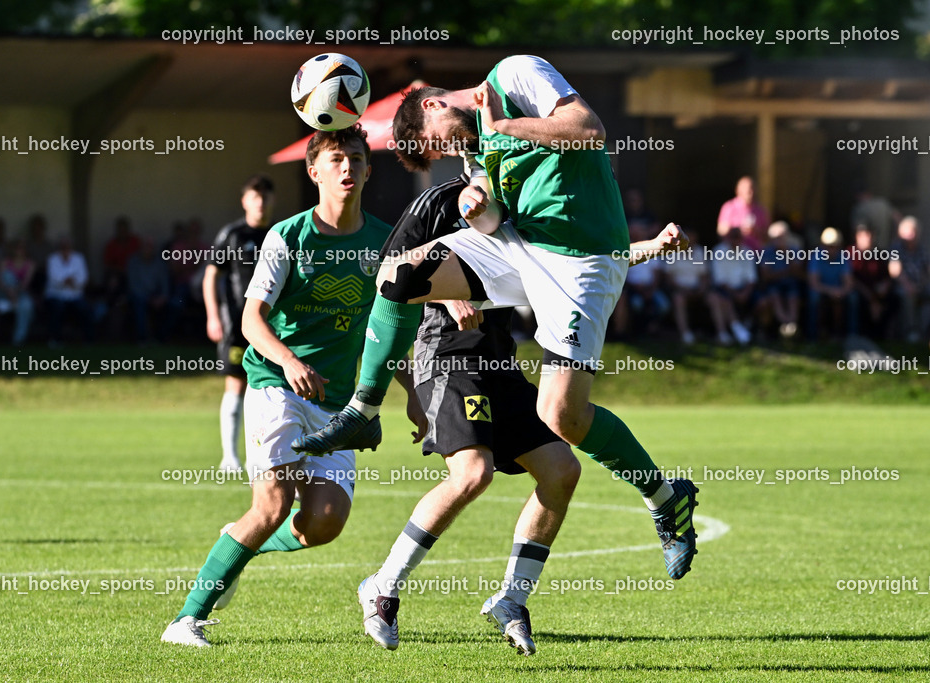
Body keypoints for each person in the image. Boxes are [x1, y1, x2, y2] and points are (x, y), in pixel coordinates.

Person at [294, 55, 700, 585]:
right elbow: (494, 221)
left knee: (562, 417)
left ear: (435, 104)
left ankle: (665, 497)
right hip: (520, 252)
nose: (452, 152)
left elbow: (588, 130)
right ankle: (364, 408)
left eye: (441, 142)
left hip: (580, 260)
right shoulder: (477, 154)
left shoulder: (515, 76)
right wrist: (476, 206)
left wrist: (501, 127)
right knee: (398, 277)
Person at [357, 172, 687, 655]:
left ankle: (512, 599)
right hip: (444, 356)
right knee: (472, 474)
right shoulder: (435, 203)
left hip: (498, 361)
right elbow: (389, 274)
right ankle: (382, 587)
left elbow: (576, 265)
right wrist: (440, 315)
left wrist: (651, 247)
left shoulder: (511, 207)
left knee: (561, 470)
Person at [161, 125, 424, 648]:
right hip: (274, 385)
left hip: (338, 405)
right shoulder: (289, 236)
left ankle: (237, 546)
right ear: (314, 171)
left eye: (355, 158)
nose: (347, 167)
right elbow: (251, 322)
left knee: (325, 522)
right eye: (335, 159)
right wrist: (286, 362)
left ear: (370, 170)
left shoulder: (386, 242)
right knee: (273, 504)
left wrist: (414, 394)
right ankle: (186, 620)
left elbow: (389, 329)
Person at [202, 176, 276, 472]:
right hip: (235, 325)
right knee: (235, 384)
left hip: (272, 328)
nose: (260, 203)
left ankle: (260, 457)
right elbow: (211, 276)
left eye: (265, 197)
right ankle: (229, 457)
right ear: (245, 201)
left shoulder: (279, 234)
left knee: (270, 388)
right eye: (254, 197)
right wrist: (213, 315)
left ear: (273, 201)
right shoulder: (232, 235)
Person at [707, 227, 757, 346]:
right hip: (724, 289)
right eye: (733, 237)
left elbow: (751, 278)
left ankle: (754, 331)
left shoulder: (747, 252)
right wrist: (735, 294)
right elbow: (719, 280)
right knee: (720, 299)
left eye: (738, 237)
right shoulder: (718, 251)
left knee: (763, 301)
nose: (735, 240)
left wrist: (744, 293)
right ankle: (731, 331)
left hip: (744, 290)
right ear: (727, 238)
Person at [807, 227, 856, 340]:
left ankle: (852, 335)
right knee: (814, 297)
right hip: (822, 290)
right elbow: (814, 283)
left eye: (834, 246)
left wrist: (840, 292)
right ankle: (812, 335)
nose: (830, 249)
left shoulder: (843, 257)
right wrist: (831, 291)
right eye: (828, 246)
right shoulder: (816, 256)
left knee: (853, 298)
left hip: (839, 291)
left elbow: (849, 283)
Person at [757, 221, 803, 339]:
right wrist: (785, 272)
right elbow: (767, 276)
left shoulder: (794, 250)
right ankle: (785, 325)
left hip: (790, 284)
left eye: (782, 237)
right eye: (776, 238)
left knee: (793, 295)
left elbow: (797, 272)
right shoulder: (766, 252)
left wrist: (786, 254)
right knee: (775, 294)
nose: (779, 240)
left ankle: (792, 326)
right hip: (773, 286)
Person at [663, 228, 708, 345]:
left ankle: (721, 333)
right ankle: (685, 333)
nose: (690, 243)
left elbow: (704, 276)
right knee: (679, 299)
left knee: (715, 298)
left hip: (696, 290)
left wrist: (701, 289)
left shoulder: (700, 252)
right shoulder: (672, 252)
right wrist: (682, 290)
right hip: (679, 290)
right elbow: (668, 278)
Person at [44, 235, 92, 345]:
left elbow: (83, 278)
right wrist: (66, 280)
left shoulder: (79, 258)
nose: (65, 249)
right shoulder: (52, 259)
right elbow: (53, 279)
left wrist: (71, 281)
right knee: (57, 308)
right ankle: (55, 339)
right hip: (56, 294)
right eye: (63, 247)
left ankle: (88, 340)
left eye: (68, 247)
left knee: (85, 308)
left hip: (75, 295)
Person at [888, 216, 930, 343]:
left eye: (913, 232)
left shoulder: (922, 249)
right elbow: (895, 272)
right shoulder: (896, 248)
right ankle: (911, 332)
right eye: (908, 232)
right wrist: (909, 285)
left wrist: (921, 284)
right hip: (903, 285)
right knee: (907, 295)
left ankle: (926, 332)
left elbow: (927, 269)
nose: (911, 236)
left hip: (920, 285)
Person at [849, 225, 895, 339]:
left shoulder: (879, 253)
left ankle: (883, 335)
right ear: (857, 236)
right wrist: (871, 298)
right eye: (864, 235)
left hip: (878, 293)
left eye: (870, 235)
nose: (868, 238)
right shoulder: (849, 253)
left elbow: (887, 277)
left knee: (893, 300)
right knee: (856, 299)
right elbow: (851, 279)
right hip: (860, 291)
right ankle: (859, 334)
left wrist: (884, 287)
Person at [127, 238, 174, 343]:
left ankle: (160, 338)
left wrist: (163, 297)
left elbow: (165, 284)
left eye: (150, 247)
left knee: (173, 305)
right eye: (145, 247)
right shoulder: (133, 262)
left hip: (156, 295)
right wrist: (149, 298)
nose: (148, 250)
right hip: (139, 295)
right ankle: (142, 338)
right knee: (139, 302)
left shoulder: (160, 264)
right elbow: (133, 285)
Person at [0, 240, 35, 345]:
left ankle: (18, 339)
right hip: (4, 293)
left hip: (20, 294)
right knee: (7, 275)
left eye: (21, 248)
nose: (18, 250)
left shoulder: (30, 264)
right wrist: (9, 291)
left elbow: (25, 284)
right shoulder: (4, 262)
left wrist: (15, 292)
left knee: (27, 305)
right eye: (16, 248)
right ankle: (13, 302)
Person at [717, 176, 769, 247]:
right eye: (748, 190)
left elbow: (767, 236)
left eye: (753, 189)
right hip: (734, 253)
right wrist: (739, 231)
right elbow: (721, 232)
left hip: (756, 252)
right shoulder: (729, 207)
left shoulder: (761, 210)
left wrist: (756, 231)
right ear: (738, 190)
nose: (751, 192)